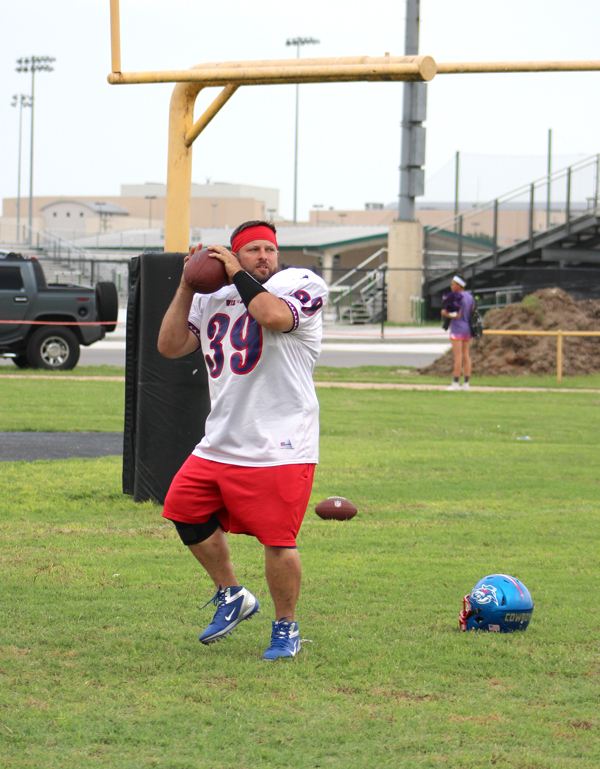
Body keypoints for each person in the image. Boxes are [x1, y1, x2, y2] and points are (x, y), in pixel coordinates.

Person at [157, 220, 328, 660]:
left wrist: (236, 272)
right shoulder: (212, 294)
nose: (264, 256)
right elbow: (170, 346)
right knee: (184, 511)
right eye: (252, 250)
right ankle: (232, 593)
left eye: (269, 249)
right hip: (222, 438)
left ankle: (286, 627)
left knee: (278, 541)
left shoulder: (300, 282)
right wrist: (187, 284)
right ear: (235, 253)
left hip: (281, 442)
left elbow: (271, 316)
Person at [440, 271, 474, 390]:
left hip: (457, 329)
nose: (451, 286)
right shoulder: (470, 297)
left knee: (458, 357)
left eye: (453, 284)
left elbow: (456, 315)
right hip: (467, 329)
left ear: (459, 285)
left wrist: (445, 313)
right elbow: (471, 312)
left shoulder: (456, 297)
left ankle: (455, 383)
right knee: (466, 356)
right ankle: (466, 383)